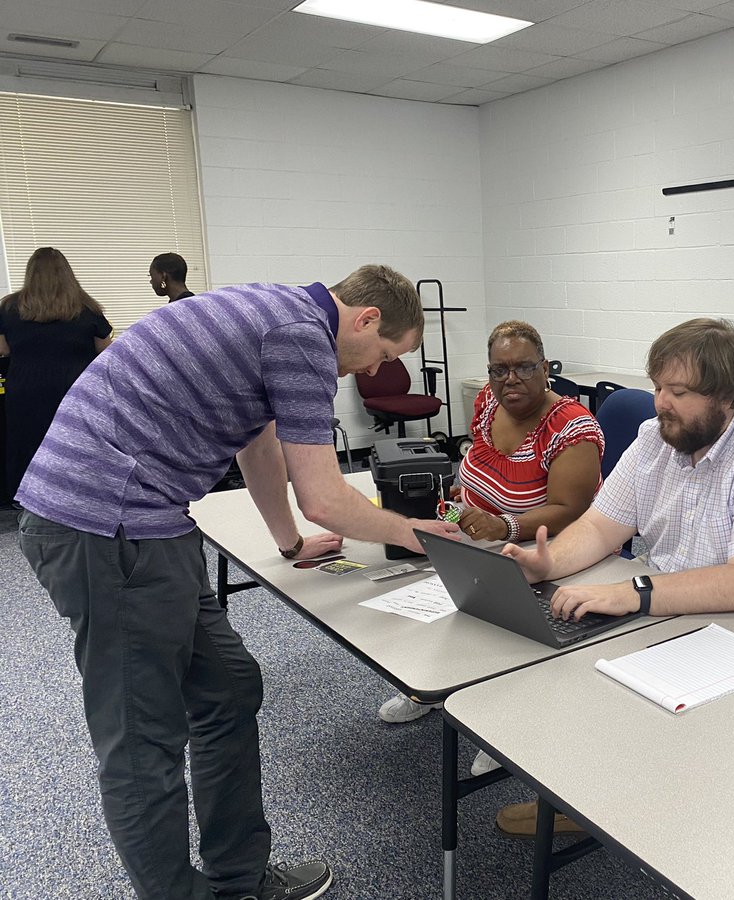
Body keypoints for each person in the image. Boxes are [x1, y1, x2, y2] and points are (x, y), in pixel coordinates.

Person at [16, 265, 460, 900]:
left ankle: (238, 879)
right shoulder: (305, 336)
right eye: (384, 353)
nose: (372, 371)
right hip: (109, 527)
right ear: (364, 320)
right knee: (142, 742)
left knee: (227, 687)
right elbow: (325, 497)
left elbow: (259, 445)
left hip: (137, 521)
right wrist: (418, 533)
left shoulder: (275, 312)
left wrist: (290, 543)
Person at [495, 317, 734, 836]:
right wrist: (550, 563)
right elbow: (604, 525)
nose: (660, 403)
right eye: (657, 387)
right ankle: (600, 797)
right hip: (697, 607)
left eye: (679, 391)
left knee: (635, 670)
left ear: (729, 398)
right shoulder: (658, 436)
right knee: (586, 657)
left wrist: (633, 592)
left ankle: (653, 804)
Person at [378, 322, 605, 754]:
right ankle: (436, 687)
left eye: (523, 367)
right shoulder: (487, 401)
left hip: (556, 548)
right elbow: (482, 459)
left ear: (545, 369)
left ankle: (503, 723)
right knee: (451, 600)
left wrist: (505, 526)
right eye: (499, 370)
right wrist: (463, 498)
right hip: (486, 536)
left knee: (509, 622)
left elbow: (570, 509)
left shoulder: (573, 428)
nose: (510, 379)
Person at [0, 247, 113, 503]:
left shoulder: (8, 307)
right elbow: (105, 352)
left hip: (25, 391)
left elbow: (3, 349)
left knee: (28, 444)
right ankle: (78, 498)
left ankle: (30, 501)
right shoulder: (87, 308)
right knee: (75, 446)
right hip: (74, 391)